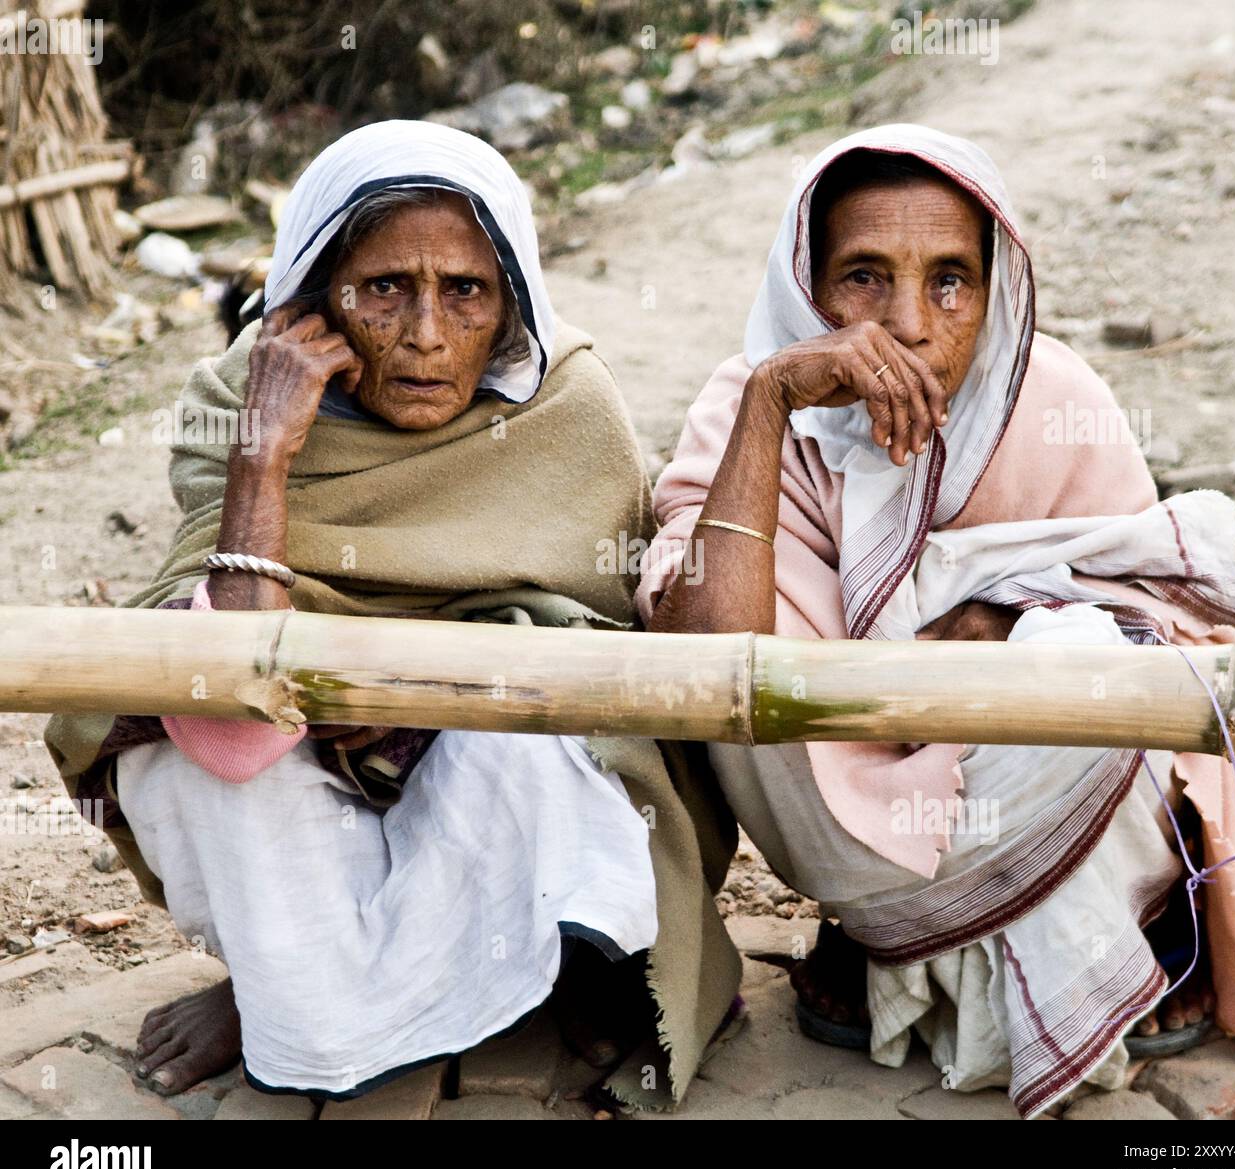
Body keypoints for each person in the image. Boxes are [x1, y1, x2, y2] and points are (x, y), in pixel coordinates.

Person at [44, 120, 741, 1110]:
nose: (423, 334)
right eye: (382, 290)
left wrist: (422, 694)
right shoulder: (236, 402)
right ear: (311, 299)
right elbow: (225, 704)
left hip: (480, 754)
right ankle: (317, 997)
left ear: (510, 307)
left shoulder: (562, 407)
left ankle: (331, 994)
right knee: (193, 760)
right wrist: (261, 457)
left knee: (547, 752)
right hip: (290, 757)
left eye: (465, 292)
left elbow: (594, 645)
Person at [637, 123, 1235, 1117]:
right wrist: (773, 401)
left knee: (1100, 663)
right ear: (803, 288)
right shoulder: (749, 401)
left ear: (993, 295)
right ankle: (881, 934)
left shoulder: (1053, 395)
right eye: (862, 277)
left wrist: (1010, 617)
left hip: (1037, 779)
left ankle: (1136, 933)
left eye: (949, 280)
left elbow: (1175, 622)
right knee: (744, 690)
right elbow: (711, 651)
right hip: (851, 804)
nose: (906, 321)